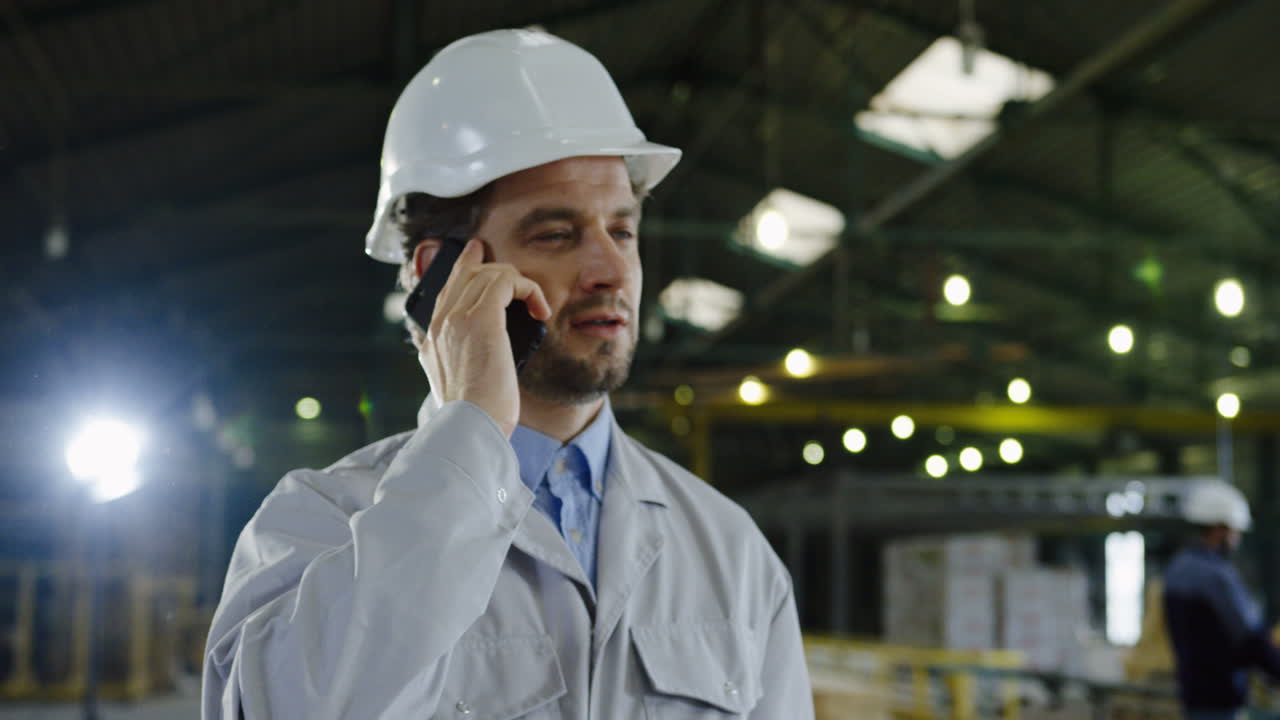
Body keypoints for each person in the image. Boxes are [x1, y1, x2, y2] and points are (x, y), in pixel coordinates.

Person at [202, 29, 812, 719]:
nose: (611, 270)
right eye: (557, 234)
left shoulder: (731, 552)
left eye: (623, 229)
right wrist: (475, 434)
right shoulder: (317, 526)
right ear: (438, 274)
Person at [1164, 479, 1280, 720]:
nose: (1237, 537)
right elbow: (1249, 637)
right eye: (1235, 530)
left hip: (1193, 694)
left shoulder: (1177, 568)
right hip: (1222, 697)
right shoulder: (1215, 575)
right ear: (1219, 529)